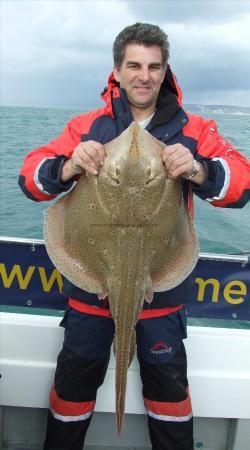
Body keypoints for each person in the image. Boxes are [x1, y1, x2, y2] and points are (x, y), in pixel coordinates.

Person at [19, 23, 250, 450]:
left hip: (160, 293)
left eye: (154, 66)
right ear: (118, 70)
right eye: (134, 65)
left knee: (168, 393)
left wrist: (198, 168)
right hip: (90, 291)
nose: (144, 75)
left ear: (165, 71)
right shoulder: (88, 126)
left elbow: (242, 185)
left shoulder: (195, 129)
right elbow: (30, 178)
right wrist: (69, 164)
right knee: (73, 387)